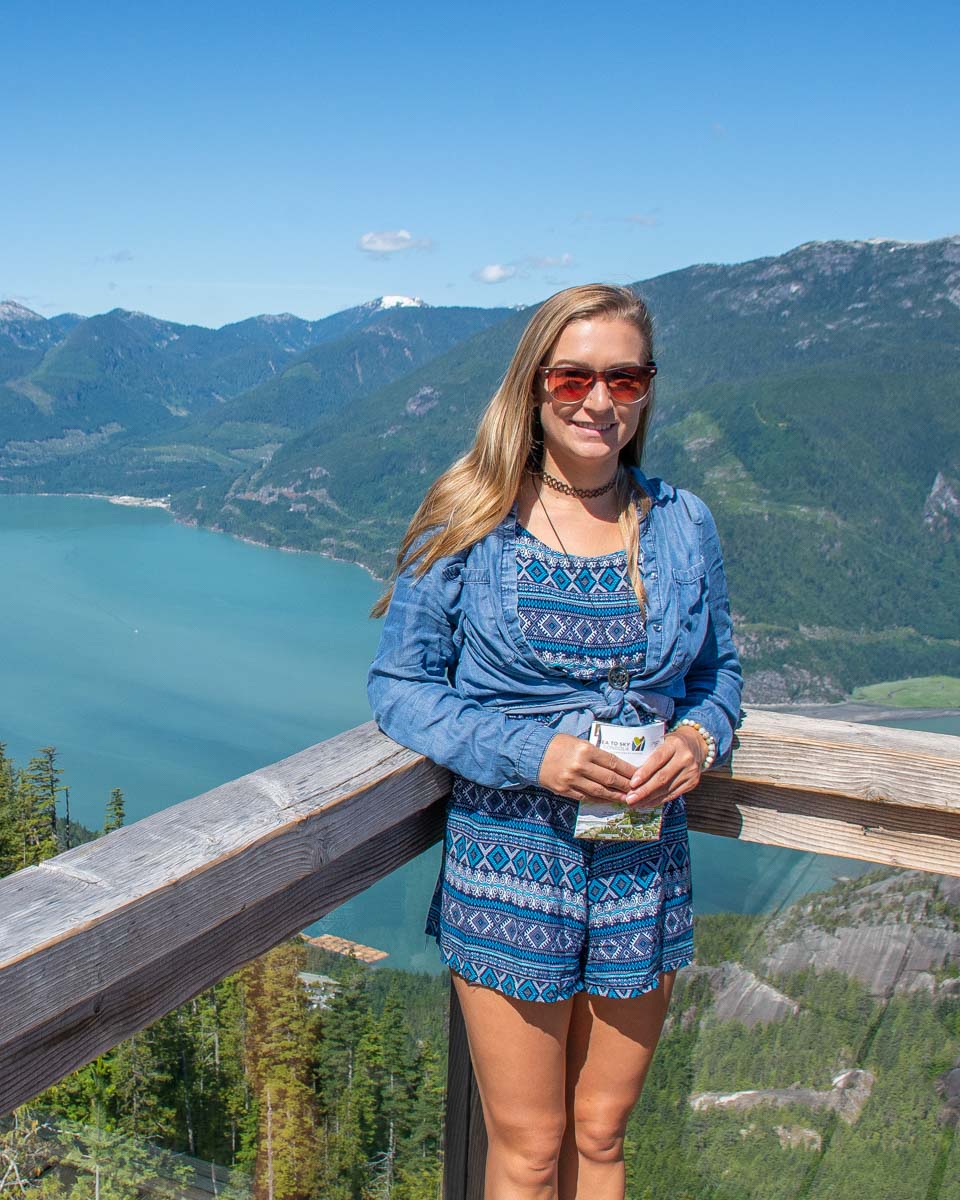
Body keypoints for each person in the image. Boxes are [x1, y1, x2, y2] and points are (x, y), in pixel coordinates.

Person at [368, 283, 743, 1200]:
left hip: (640, 859)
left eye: (625, 377)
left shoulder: (683, 524)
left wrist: (698, 737)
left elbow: (721, 672)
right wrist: (531, 754)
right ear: (534, 385)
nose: (599, 399)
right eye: (573, 375)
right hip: (510, 862)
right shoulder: (470, 517)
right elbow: (399, 690)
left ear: (648, 389)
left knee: (603, 1135)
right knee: (532, 1149)